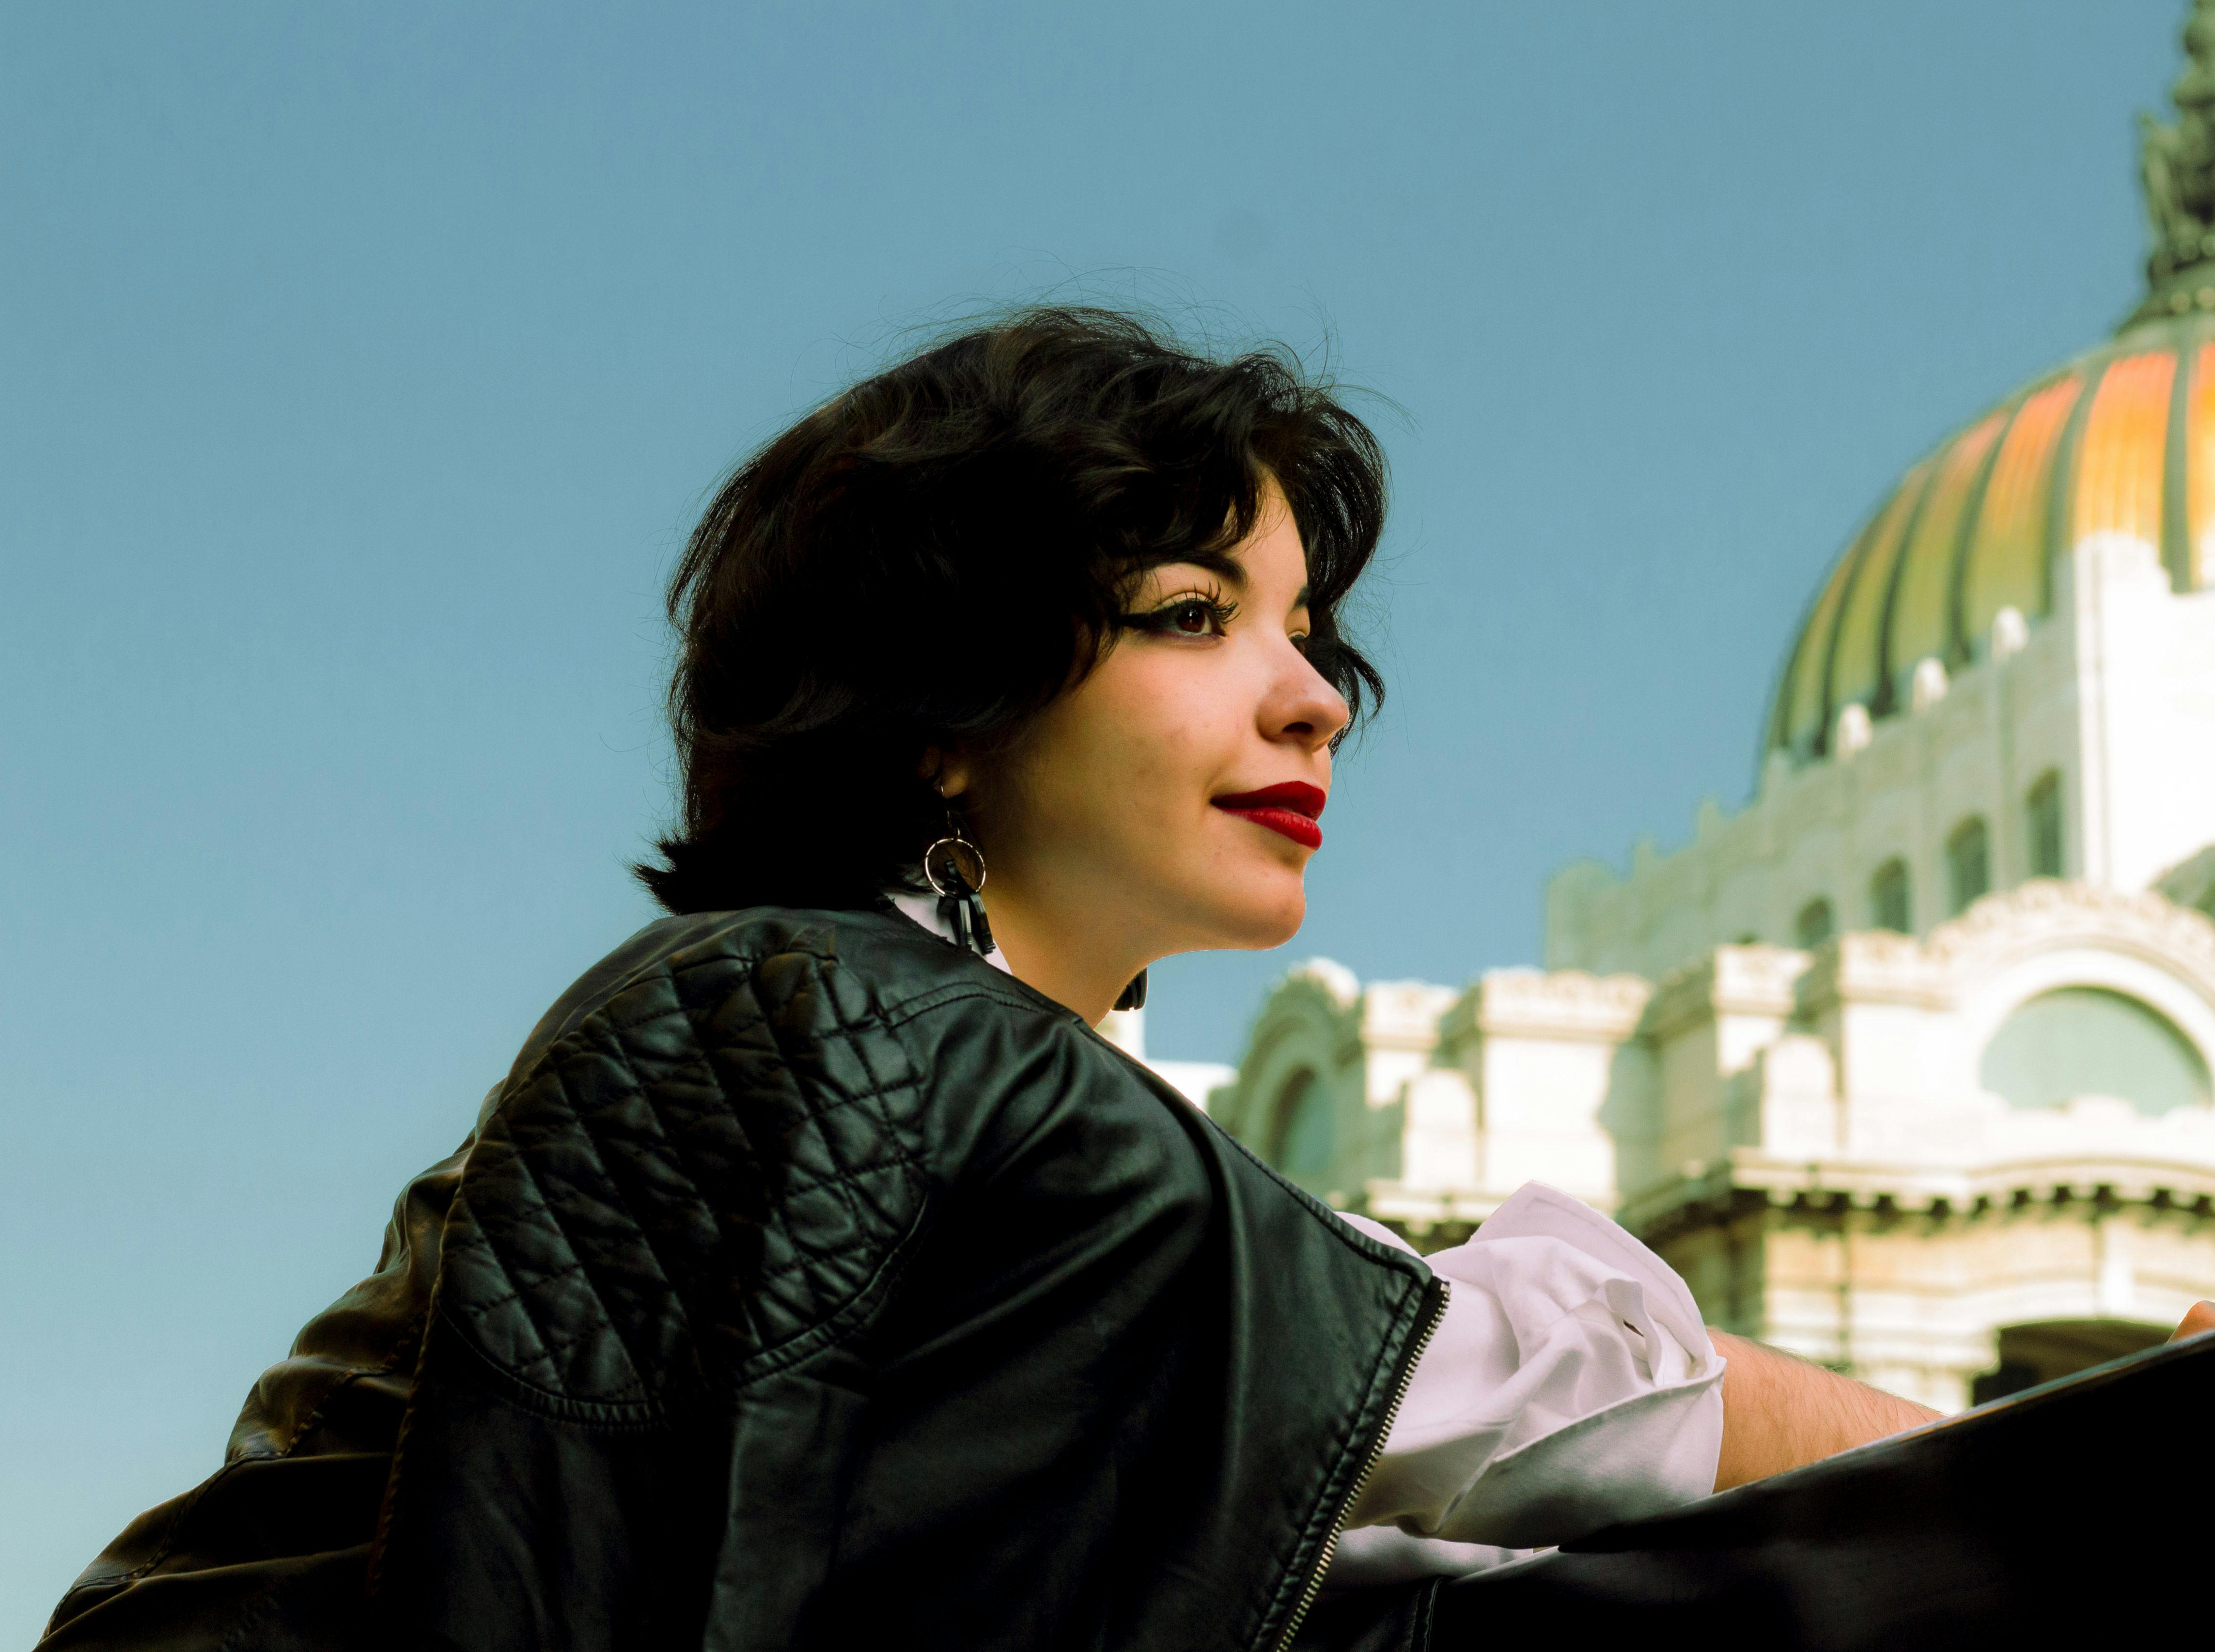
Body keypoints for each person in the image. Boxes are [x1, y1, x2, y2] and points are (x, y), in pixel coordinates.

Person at [41, 309, 1936, 1652]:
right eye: (1194, 617)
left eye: (1312, 632)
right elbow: (1458, 1387)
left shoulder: (978, 1113)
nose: (1312, 697)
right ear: (946, 709)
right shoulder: (808, 1013)